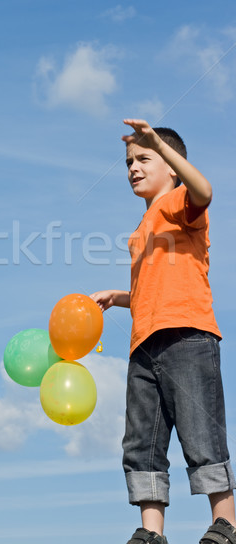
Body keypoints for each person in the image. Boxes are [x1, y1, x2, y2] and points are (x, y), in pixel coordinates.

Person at [90, 119, 236, 544]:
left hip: (187, 336)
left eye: (143, 157)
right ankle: (152, 532)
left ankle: (226, 522)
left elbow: (205, 191)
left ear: (171, 165)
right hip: (144, 345)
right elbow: (151, 291)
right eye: (129, 161)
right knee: (142, 440)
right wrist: (120, 297)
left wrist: (162, 144)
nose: (132, 167)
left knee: (200, 430)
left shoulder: (179, 202)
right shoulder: (141, 230)